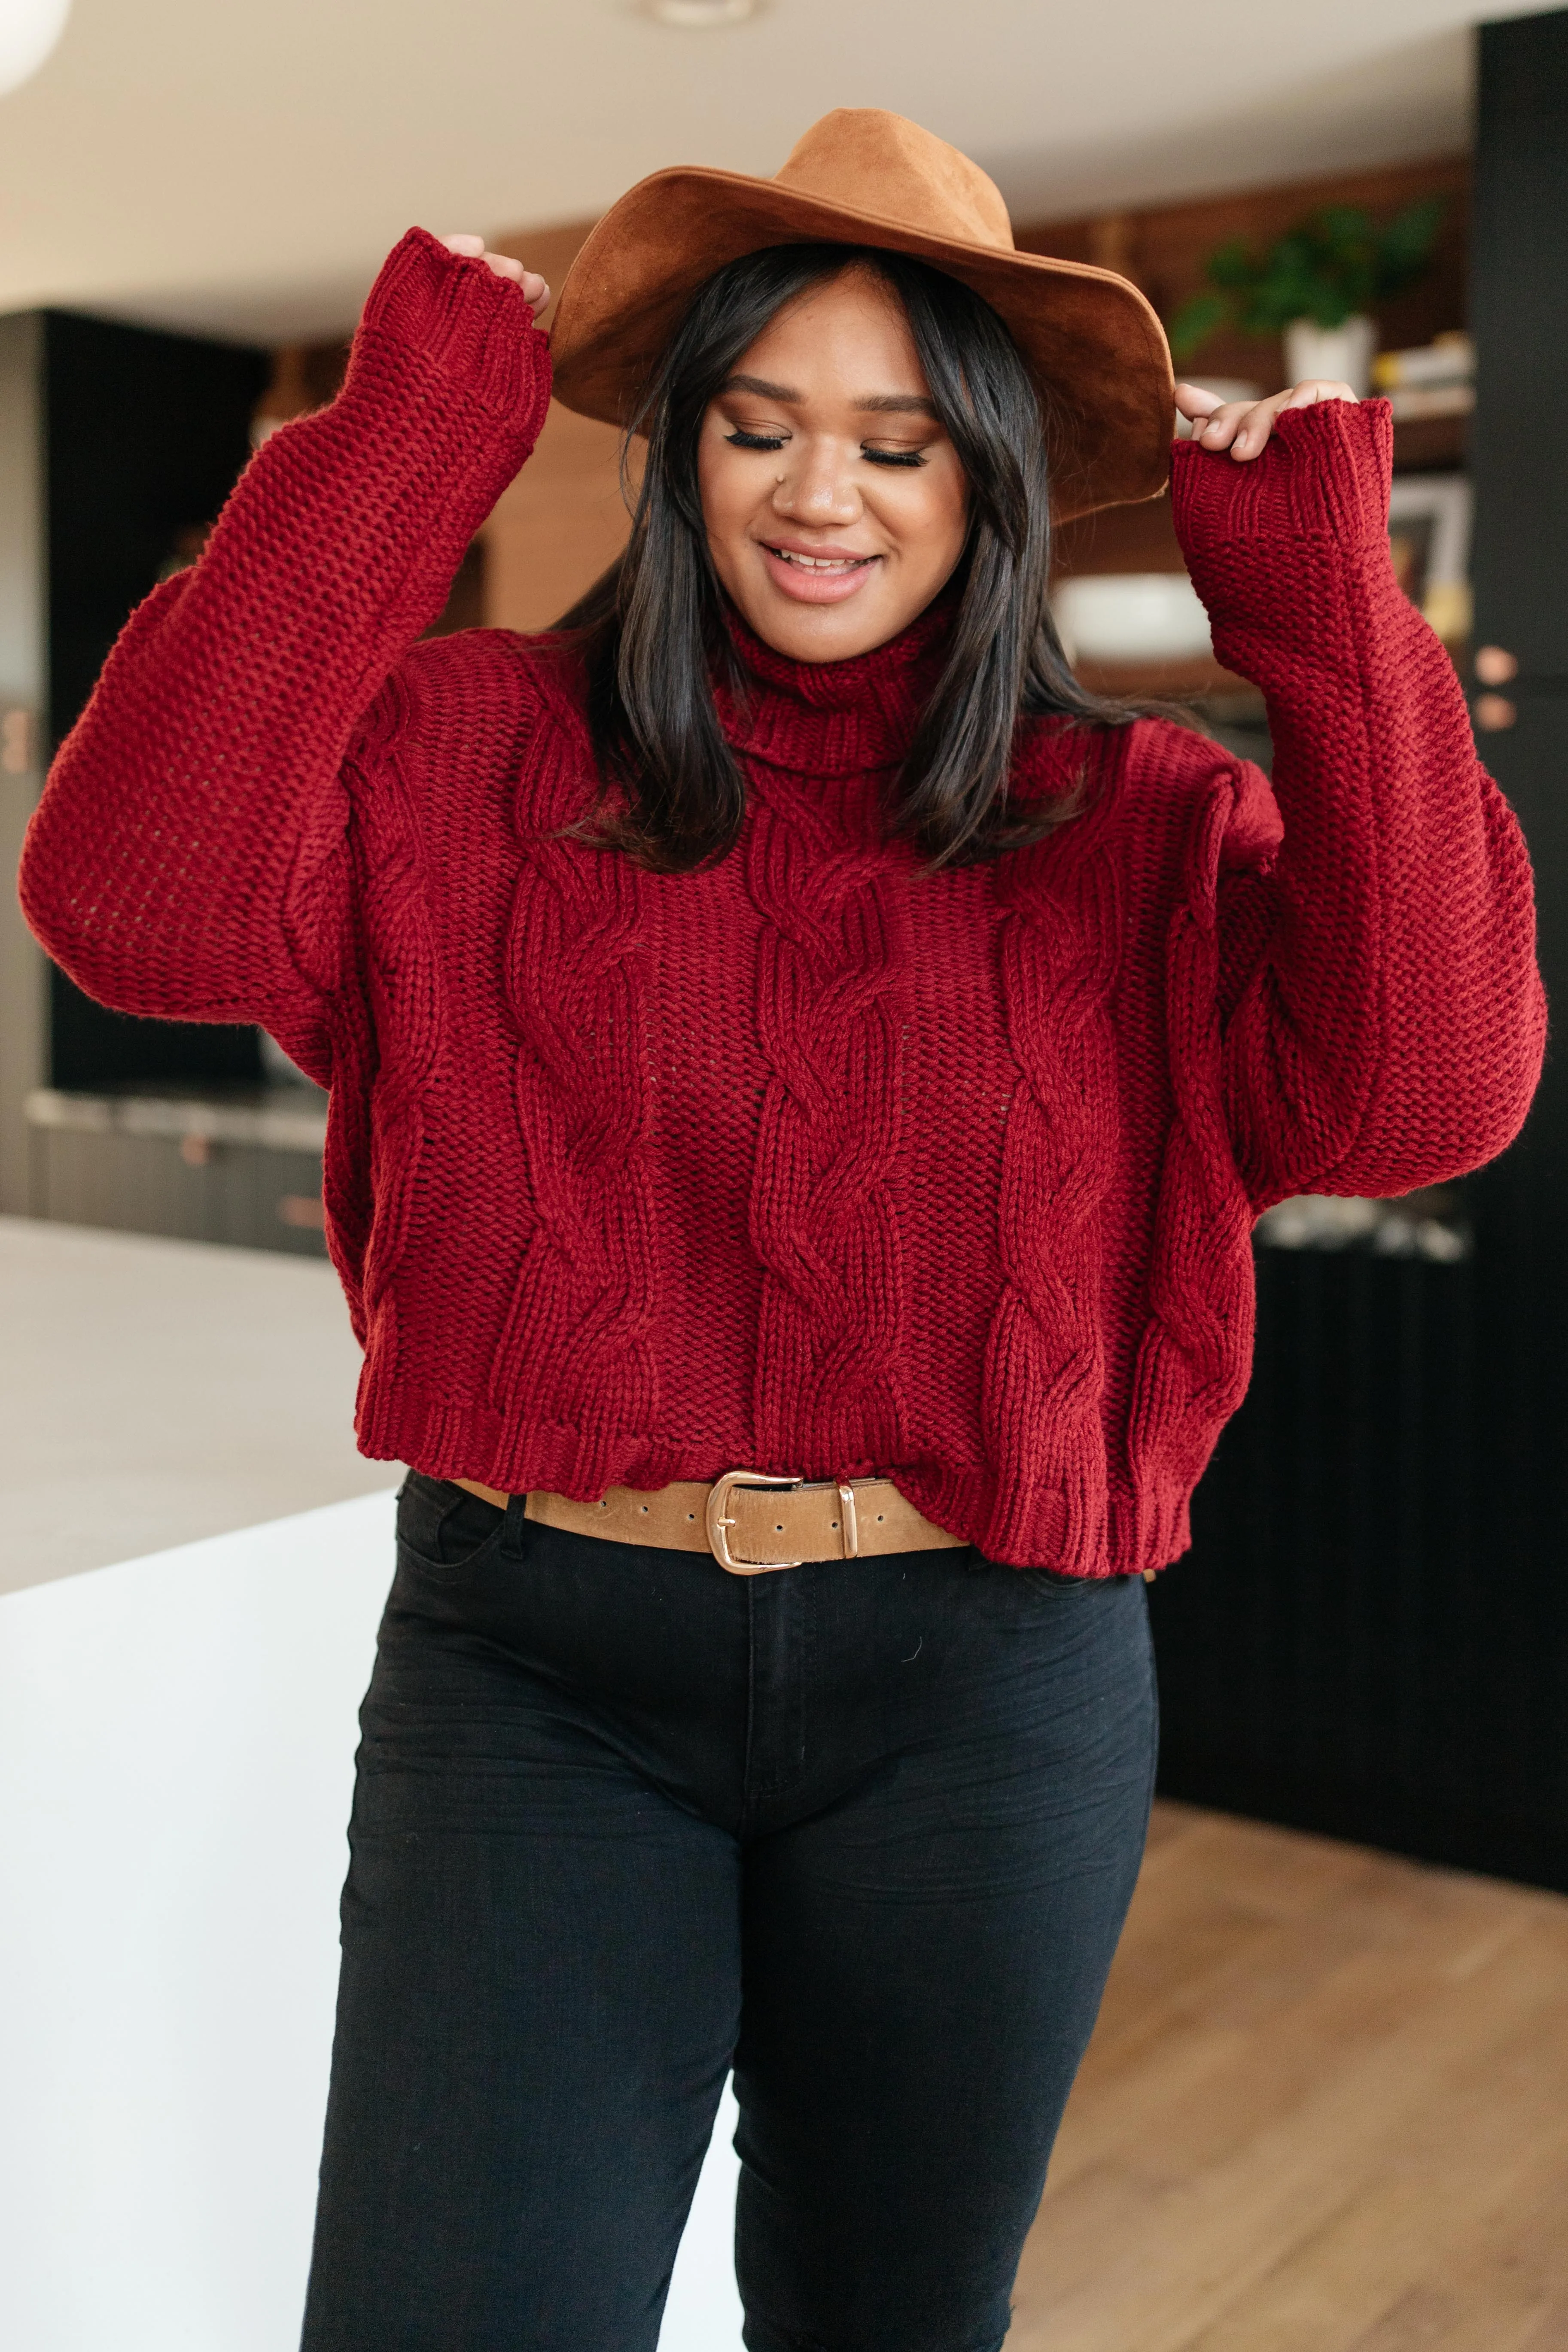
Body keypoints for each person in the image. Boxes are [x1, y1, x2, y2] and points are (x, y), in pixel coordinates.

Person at [19, 107, 1543, 2352]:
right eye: (761, 424)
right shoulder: (473, 761)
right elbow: (127, 909)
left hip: (989, 1684)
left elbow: (1430, 1090)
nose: (823, 495)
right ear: (685, 450)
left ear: (993, 485)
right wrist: (407, 433)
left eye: (904, 444)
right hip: (534, 1660)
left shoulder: (1130, 823)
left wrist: (1318, 603)